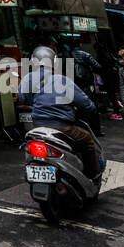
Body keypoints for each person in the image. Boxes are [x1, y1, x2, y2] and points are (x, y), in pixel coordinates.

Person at [17, 45, 103, 175]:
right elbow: (86, 105)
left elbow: (23, 98)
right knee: (87, 141)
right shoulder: (62, 80)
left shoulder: (26, 79)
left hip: (37, 127)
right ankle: (93, 174)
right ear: (54, 61)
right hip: (63, 127)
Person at [61, 42, 105, 137]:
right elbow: (98, 66)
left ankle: (82, 130)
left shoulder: (66, 56)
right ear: (80, 45)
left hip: (73, 85)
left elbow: (62, 71)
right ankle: (96, 130)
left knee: (77, 108)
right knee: (92, 106)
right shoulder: (85, 54)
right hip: (87, 85)